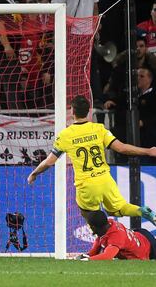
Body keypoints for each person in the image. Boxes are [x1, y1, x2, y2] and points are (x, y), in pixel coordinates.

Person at [27, 95, 156, 225]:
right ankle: (142, 211)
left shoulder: (65, 135)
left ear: (72, 111)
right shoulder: (99, 129)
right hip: (105, 179)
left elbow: (49, 162)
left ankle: (100, 238)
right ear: (89, 111)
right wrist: (148, 151)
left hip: (86, 185)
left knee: (88, 214)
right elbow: (122, 148)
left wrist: (34, 173)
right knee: (117, 209)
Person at [76, 210, 156, 260]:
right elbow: (99, 240)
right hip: (141, 234)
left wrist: (88, 260)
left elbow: (108, 256)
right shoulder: (108, 224)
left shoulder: (116, 237)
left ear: (94, 227)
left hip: (150, 249)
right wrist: (88, 255)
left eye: (90, 226)